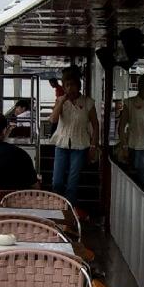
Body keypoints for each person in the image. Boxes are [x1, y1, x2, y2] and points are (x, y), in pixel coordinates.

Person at [48, 66, 99, 204]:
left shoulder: (88, 102)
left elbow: (95, 125)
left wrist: (93, 146)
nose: (70, 88)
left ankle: (70, 210)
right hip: (61, 144)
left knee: (72, 182)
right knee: (57, 181)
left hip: (80, 145)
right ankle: (57, 207)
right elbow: (53, 120)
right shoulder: (60, 101)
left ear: (78, 85)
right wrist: (61, 102)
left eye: (73, 84)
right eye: (67, 85)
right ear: (64, 86)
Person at [116, 74, 144, 187]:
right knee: (142, 180)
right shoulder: (130, 103)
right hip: (137, 147)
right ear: (143, 87)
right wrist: (124, 146)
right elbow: (121, 127)